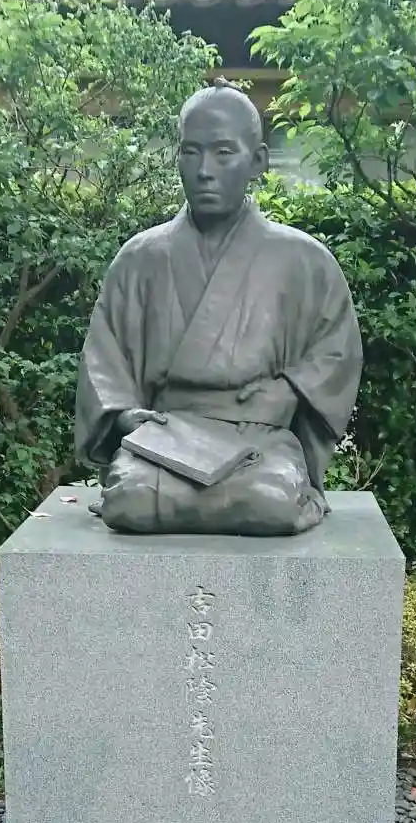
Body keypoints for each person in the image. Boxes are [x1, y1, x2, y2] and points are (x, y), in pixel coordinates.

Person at [73, 80, 363, 535]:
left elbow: (336, 351)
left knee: (270, 503)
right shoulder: (140, 258)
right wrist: (125, 415)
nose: (205, 170)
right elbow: (104, 358)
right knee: (129, 501)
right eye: (191, 153)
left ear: (258, 161)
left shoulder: (305, 260)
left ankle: (285, 491)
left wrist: (290, 391)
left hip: (259, 437)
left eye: (223, 153)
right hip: (166, 435)